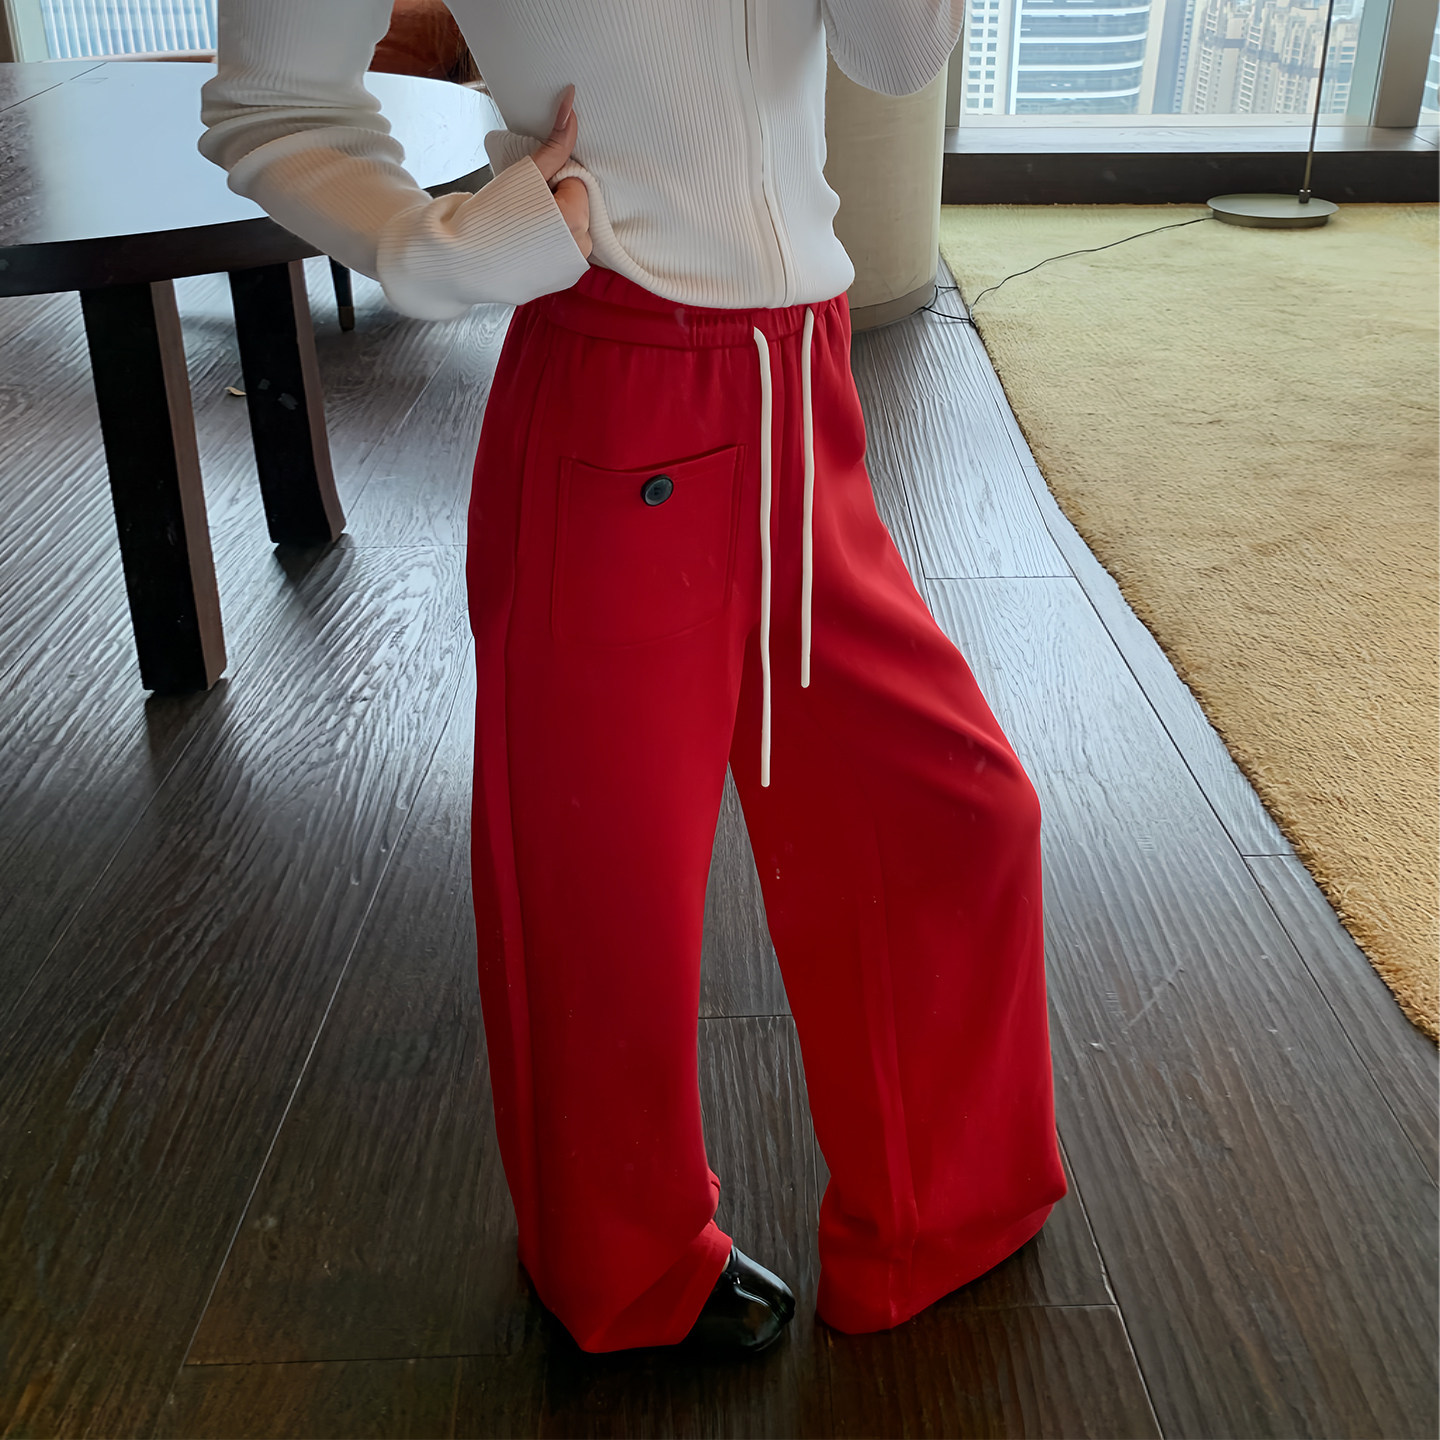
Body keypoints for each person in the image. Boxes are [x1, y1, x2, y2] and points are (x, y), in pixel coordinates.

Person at [198, 0, 1068, 1359]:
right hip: (613, 387)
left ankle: (945, 1208)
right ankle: (620, 1263)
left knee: (954, 814)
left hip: (803, 385)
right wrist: (438, 250)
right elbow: (270, 100)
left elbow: (898, 56)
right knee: (599, 885)